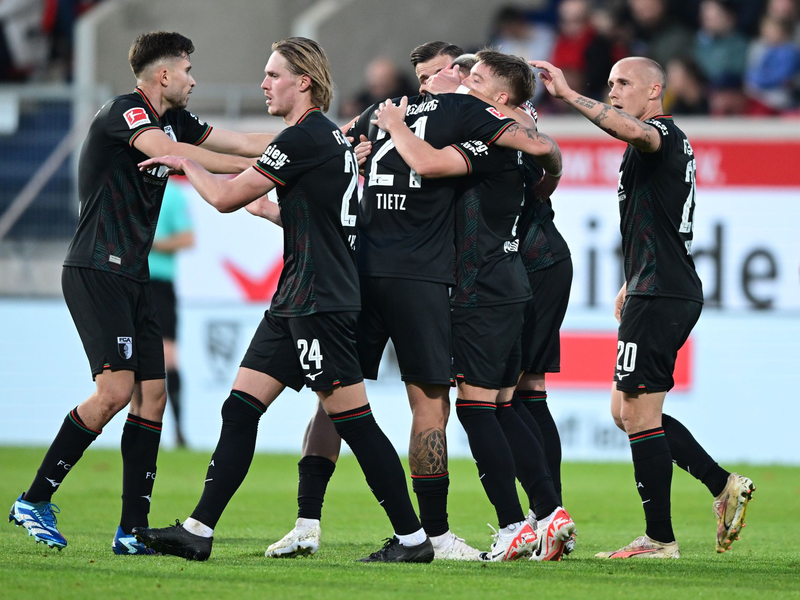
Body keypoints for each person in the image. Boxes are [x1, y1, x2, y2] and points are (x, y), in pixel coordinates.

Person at [132, 37, 433, 564]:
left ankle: (413, 539)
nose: (264, 83)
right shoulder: (324, 138)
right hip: (295, 300)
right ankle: (199, 530)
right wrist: (280, 214)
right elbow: (326, 216)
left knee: (354, 421)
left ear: (304, 83)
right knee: (239, 407)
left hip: (319, 302)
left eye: (274, 75)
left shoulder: (304, 138)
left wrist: (185, 163)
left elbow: (226, 198)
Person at [264, 40, 560, 563]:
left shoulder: (385, 113)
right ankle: (438, 533)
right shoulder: (465, 113)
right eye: (425, 75)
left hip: (362, 271)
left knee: (337, 396)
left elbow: (316, 146)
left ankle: (310, 521)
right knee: (435, 406)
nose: (436, 82)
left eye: (441, 74)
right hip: (423, 279)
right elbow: (539, 149)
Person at [8, 30, 279, 555]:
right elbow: (173, 155)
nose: (194, 80)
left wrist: (308, 143)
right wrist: (272, 171)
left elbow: (243, 142)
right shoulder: (126, 113)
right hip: (96, 268)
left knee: (151, 395)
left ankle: (132, 530)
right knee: (114, 392)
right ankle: (34, 498)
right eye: (187, 70)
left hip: (135, 276)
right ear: (164, 75)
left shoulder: (173, 120)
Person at [532, 55, 755, 558]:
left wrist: (567, 95)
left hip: (663, 292)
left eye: (624, 83)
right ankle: (721, 485)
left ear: (655, 91)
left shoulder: (661, 135)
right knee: (626, 411)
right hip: (652, 287)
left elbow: (632, 131)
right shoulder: (655, 145)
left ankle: (660, 538)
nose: (613, 90)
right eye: (609, 82)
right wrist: (632, 280)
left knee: (638, 411)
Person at [372, 49, 575, 562]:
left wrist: (395, 124)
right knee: (506, 405)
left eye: (475, 77)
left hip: (481, 286)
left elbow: (425, 160)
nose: (463, 82)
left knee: (477, 407)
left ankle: (514, 524)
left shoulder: (488, 145)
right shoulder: (515, 144)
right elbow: (547, 162)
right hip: (508, 284)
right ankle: (550, 513)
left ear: (498, 98)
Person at [149, 180, 194, 448]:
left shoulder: (174, 194)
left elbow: (187, 237)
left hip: (159, 286)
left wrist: (149, 242)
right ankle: (144, 429)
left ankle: (178, 431)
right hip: (128, 281)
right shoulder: (127, 186)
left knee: (168, 357)